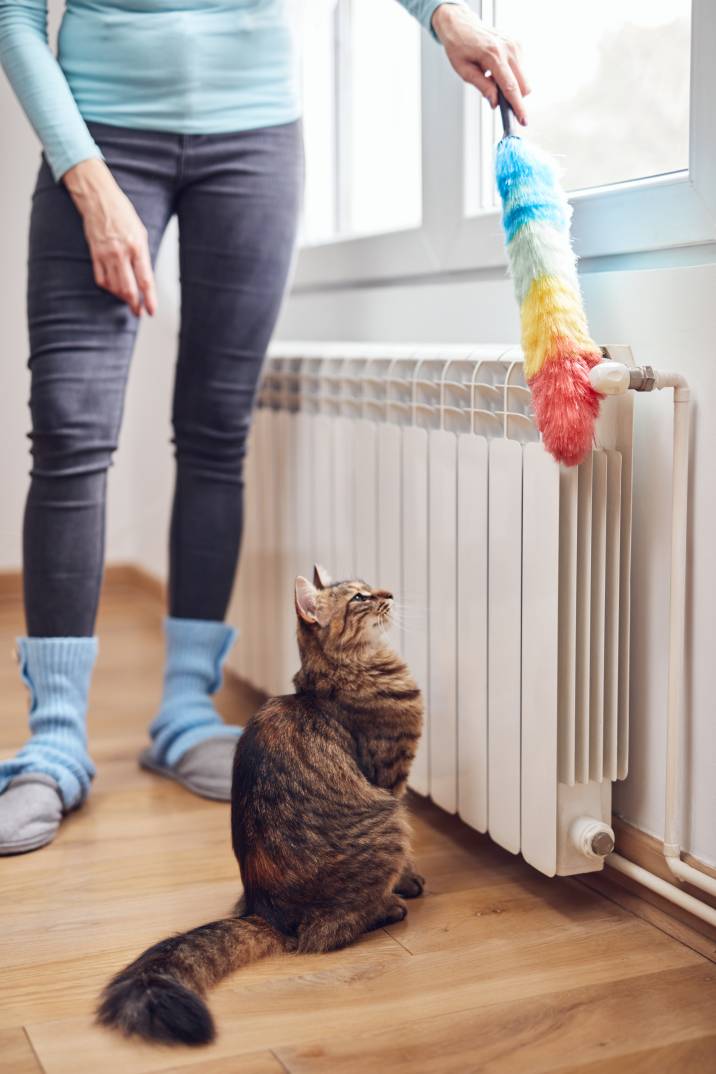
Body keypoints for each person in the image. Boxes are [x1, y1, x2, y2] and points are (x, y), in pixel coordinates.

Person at [0, 0, 529, 855]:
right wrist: (84, 175)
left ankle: (183, 708)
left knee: (215, 430)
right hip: (97, 136)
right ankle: (55, 740)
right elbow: (14, 14)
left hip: (254, 139)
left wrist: (445, 17)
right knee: (69, 430)